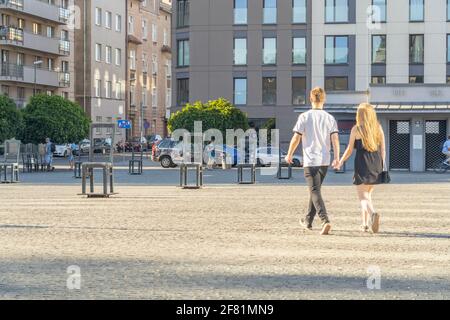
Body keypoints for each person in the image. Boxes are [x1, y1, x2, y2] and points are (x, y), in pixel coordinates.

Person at [285, 87, 340, 236]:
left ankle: (325, 220)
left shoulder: (304, 116)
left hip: (310, 160)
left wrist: (289, 154)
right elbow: (335, 139)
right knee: (315, 191)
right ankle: (308, 221)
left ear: (310, 99)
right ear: (324, 99)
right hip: (324, 161)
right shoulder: (330, 118)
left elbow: (296, 137)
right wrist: (337, 157)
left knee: (314, 191)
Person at [337, 103, 386, 234]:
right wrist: (382, 165)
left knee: (362, 197)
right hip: (376, 164)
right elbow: (383, 149)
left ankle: (373, 214)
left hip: (362, 164)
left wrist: (340, 161)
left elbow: (349, 149)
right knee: (367, 194)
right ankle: (364, 224)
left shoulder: (356, 129)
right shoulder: (378, 128)